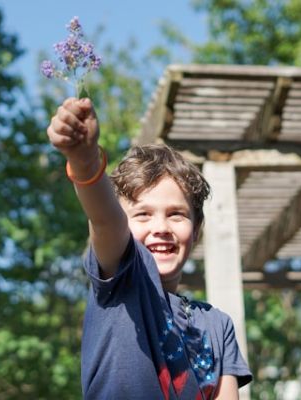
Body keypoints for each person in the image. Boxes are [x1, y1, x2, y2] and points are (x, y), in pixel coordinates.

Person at [47, 97, 252, 399]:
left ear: (195, 231)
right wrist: (85, 160)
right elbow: (105, 219)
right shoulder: (121, 282)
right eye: (142, 214)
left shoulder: (217, 325)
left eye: (176, 214)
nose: (161, 228)